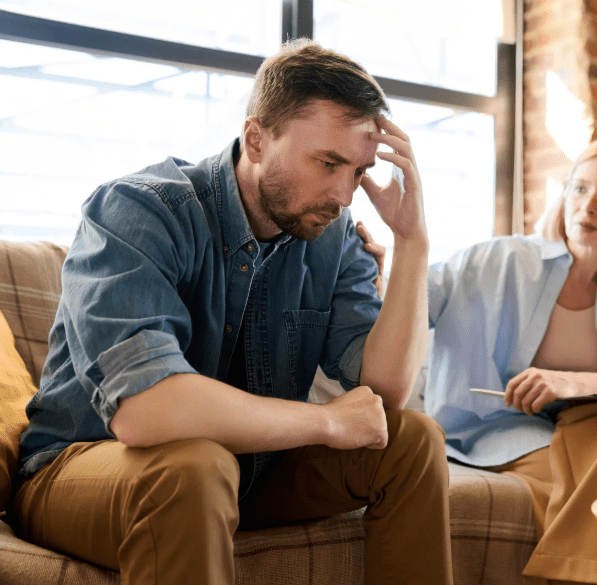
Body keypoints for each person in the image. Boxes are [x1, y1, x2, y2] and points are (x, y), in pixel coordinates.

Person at [14, 39, 452, 585]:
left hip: (247, 472)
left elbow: (383, 394)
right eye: (328, 162)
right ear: (256, 139)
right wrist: (324, 420)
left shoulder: (332, 237)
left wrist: (413, 241)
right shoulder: (139, 209)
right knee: (196, 467)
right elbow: (145, 410)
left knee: (411, 440)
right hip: (85, 466)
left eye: (359, 171)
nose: (345, 194)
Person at [376, 134, 597, 585]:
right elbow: (412, 299)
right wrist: (377, 273)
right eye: (579, 187)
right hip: (503, 432)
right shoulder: (499, 259)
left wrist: (577, 383)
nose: (588, 206)